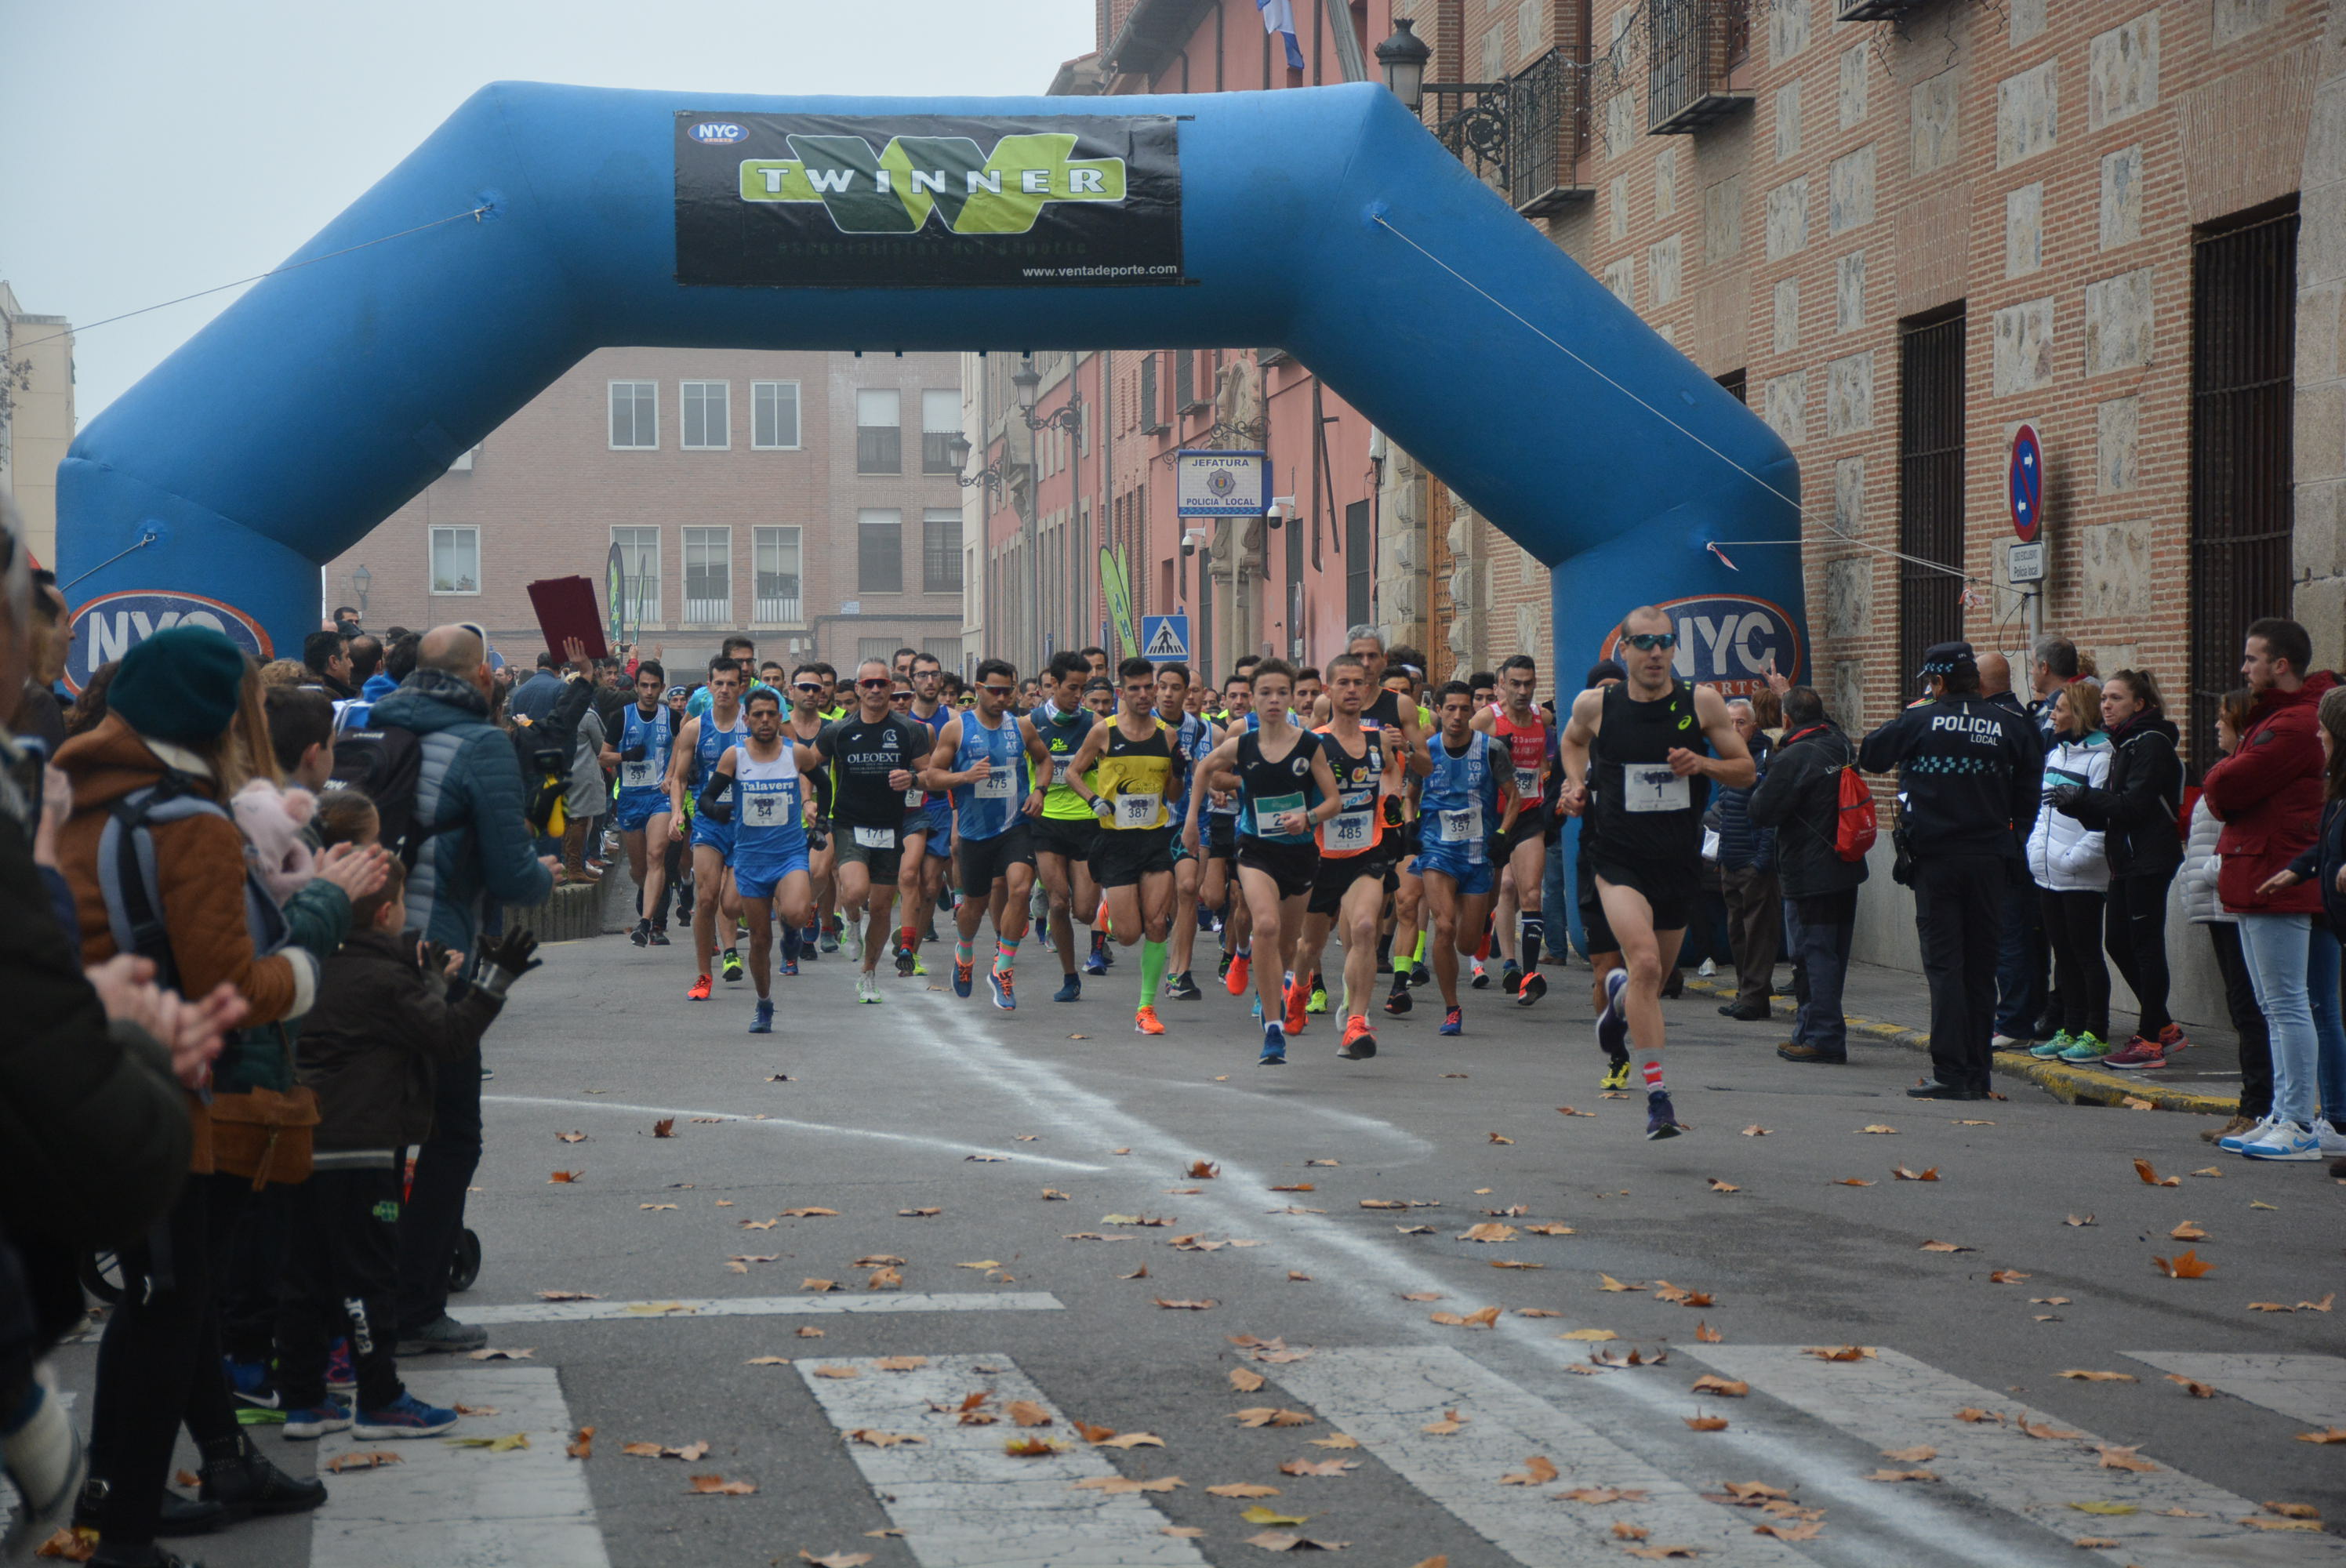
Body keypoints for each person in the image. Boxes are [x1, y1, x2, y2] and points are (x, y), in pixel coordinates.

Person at [54, 627, 389, 1565]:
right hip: (164, 1089)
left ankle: (164, 1481)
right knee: (166, 1300)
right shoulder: (186, 820)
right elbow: (231, 987)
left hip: (77, 1076)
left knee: (171, 1290)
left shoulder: (77, 793)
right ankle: (119, 1524)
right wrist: (321, 908)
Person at [278, 862, 534, 1443]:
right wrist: (491, 983)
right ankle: (379, 1396)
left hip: (305, 1141)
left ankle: (302, 1398)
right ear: (389, 913)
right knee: (368, 1275)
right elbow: (446, 1037)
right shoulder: (383, 979)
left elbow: (396, 1024)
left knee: (306, 1273)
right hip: (361, 1147)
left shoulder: (319, 964)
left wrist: (431, 986)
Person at [364, 624, 555, 1357]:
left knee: (371, 1134)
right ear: (479, 678)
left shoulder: (369, 727)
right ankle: (414, 1306)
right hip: (438, 963)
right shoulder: (481, 746)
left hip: (355, 954)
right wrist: (545, 871)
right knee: (451, 1133)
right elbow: (514, 876)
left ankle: (367, 1281)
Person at [1560, 609, 1755, 1138]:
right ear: (1623, 649)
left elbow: (1746, 770)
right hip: (1617, 857)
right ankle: (1659, 1098)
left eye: (1665, 642)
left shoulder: (1701, 703)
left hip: (1678, 860)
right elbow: (1572, 742)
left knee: (1654, 977)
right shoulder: (1597, 705)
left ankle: (1618, 999)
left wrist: (1704, 765)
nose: (1655, 652)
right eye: (1644, 642)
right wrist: (1574, 786)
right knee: (1645, 961)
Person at [1858, 641, 2043, 1102]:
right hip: (1990, 861)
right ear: (1976, 682)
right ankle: (1978, 1072)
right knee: (1981, 969)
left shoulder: (1921, 719)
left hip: (1938, 863)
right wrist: (2012, 840)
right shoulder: (2011, 725)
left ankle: (1950, 1071)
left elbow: (1871, 755)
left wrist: (1922, 707)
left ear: (1937, 682)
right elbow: (2030, 792)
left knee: (1945, 968)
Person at [2203, 618, 2338, 1161]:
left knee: (2288, 1005)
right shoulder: (2280, 720)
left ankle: (2298, 1122)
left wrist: (2230, 766)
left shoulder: (2292, 724)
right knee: (2277, 1003)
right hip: (2265, 871)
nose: (2244, 668)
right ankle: (2285, 1114)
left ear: (2281, 665)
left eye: (2252, 658)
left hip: (2276, 874)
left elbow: (2226, 783)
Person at [1194, 660, 1343, 1066]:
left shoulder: (1309, 744)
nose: (1273, 700)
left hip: (1299, 853)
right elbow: (1205, 769)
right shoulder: (1242, 744)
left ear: (1293, 696)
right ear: (1253, 699)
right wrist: (1194, 818)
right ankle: (1273, 1030)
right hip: (1256, 848)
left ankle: (1267, 973)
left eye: (1281, 692)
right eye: (1265, 693)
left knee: (1287, 943)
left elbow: (1334, 801)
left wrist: (1308, 818)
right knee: (1265, 923)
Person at [1290, 653, 1413, 1058]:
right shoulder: (1314, 741)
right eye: (1343, 683)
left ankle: (1357, 1022)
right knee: (1311, 944)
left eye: (1358, 683)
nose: (1352, 690)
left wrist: (1394, 798)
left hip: (1367, 850)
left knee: (1363, 928)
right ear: (1328, 690)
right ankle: (1302, 984)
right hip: (1320, 854)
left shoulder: (1379, 738)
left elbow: (1393, 773)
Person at [2063, 670, 2187, 1069]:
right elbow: (2110, 816)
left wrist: (2086, 795)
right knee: (2117, 941)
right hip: (2125, 860)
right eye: (2104, 699)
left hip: (2149, 859)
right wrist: (2078, 805)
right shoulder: (2125, 743)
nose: (2106, 706)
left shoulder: (2150, 743)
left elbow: (2133, 808)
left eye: (2115, 698)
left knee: (2146, 948)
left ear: (2140, 704)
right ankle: (2165, 1025)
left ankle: (2150, 1040)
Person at [1062, 657, 1187, 1036]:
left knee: (1156, 923)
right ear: (1121, 693)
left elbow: (1175, 793)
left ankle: (1146, 1008)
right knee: (1129, 934)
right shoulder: (1104, 732)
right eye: (1134, 688)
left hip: (1154, 840)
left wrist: (1179, 771)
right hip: (1115, 841)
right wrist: (1092, 800)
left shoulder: (1167, 736)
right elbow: (1071, 772)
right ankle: (1109, 910)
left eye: (1149, 686)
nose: (1145, 694)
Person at [1747, 686, 1867, 1065]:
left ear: (1786, 721)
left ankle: (1823, 1037)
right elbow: (1824, 722)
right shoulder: (1839, 742)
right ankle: (1813, 1031)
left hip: (1810, 873)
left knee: (1812, 957)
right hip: (1846, 866)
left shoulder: (1793, 758)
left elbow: (1762, 811)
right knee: (1833, 955)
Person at [923, 659, 1052, 1009]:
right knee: (974, 908)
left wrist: (1039, 791)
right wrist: (963, 777)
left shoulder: (1021, 727)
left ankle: (1003, 969)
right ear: (978, 689)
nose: (1002, 698)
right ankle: (964, 953)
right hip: (975, 833)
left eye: (1007, 691)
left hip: (1016, 825)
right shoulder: (957, 729)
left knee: (1022, 888)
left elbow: (1044, 760)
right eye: (994, 691)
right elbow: (932, 777)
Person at [806, 659, 930, 1004]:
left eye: (882, 684)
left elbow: (930, 773)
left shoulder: (909, 730)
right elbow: (808, 763)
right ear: (858, 689)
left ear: (891, 688)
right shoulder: (838, 731)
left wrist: (915, 779)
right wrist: (807, 800)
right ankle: (850, 921)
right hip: (849, 823)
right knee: (855, 891)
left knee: (881, 908)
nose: (875, 690)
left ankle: (868, 975)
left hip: (891, 827)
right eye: (869, 684)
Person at [694, 688, 812, 1033]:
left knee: (795, 912)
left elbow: (822, 784)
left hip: (789, 853)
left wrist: (816, 812)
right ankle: (764, 1003)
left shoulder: (796, 753)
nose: (764, 720)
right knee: (760, 940)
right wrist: (721, 811)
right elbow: (705, 800)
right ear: (747, 720)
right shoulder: (735, 756)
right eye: (757, 715)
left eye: (771, 714)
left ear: (780, 718)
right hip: (750, 858)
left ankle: (793, 932)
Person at [2187, 689, 2273, 1145]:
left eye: (2224, 719)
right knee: (2244, 1009)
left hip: (2233, 901)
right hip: (2218, 906)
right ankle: (2251, 1107)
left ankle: (2260, 1108)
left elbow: (2246, 841)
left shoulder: (2248, 776)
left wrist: (2207, 871)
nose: (2216, 726)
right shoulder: (2231, 771)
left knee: (2253, 1009)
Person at [1410, 679, 1513, 1036]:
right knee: (1445, 926)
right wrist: (1410, 826)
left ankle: (1483, 926)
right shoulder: (1424, 750)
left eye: (1464, 709)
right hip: (1437, 849)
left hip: (1478, 851)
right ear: (1438, 710)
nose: (1456, 716)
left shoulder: (1492, 749)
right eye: (1450, 708)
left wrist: (1503, 833)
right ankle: (1452, 1008)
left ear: (1473, 711)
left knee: (1467, 944)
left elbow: (1513, 796)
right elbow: (1410, 793)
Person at [2024, 678, 2115, 1064]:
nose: (2053, 714)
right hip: (2049, 874)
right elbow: (2043, 813)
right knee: (2064, 953)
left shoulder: (2103, 756)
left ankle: (2095, 1032)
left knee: (2086, 954)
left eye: (2059, 709)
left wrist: (2071, 861)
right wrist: (2036, 853)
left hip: (2080, 874)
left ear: (2077, 714)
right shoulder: (2056, 754)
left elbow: (2101, 822)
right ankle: (2071, 1027)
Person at [1473, 655, 1553, 1006]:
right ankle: (1485, 928)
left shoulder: (1543, 718)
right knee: (1493, 895)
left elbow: (1545, 760)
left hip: (1529, 817)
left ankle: (1528, 976)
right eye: (1515, 684)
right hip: (1494, 820)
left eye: (1529, 683)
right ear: (1501, 685)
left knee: (1530, 893)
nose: (1523, 691)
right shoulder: (1487, 720)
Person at [670, 657, 750, 999]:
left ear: (741, 687)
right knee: (706, 898)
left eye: (732, 684)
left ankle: (732, 945)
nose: (725, 690)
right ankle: (704, 975)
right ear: (708, 684)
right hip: (708, 822)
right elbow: (679, 777)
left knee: (732, 903)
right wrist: (676, 813)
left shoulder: (753, 724)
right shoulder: (695, 729)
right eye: (718, 683)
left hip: (748, 823)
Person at [1030, 651, 1104, 1004]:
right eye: (1072, 688)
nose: (1079, 696)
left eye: (1083, 689)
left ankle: (1094, 936)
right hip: (1048, 822)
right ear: (1054, 685)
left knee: (1084, 911)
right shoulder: (1030, 723)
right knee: (1059, 903)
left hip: (1088, 823)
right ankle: (1070, 976)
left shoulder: (1095, 724)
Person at [1711, 698, 1780, 1022]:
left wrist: (1762, 860)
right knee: (1737, 932)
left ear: (1754, 726)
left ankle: (1754, 998)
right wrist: (1722, 855)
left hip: (1754, 864)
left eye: (1741, 722)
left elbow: (1772, 814)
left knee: (1758, 935)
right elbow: (1725, 810)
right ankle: (1748, 992)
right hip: (1731, 861)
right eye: (1729, 723)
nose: (1735, 729)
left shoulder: (1767, 759)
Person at [1153, 663, 1215, 1002]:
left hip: (1189, 818)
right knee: (1156, 907)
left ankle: (1180, 974)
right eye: (1162, 687)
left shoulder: (1197, 727)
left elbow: (1195, 765)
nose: (1168, 694)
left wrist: (1212, 788)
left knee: (1189, 889)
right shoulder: (1140, 723)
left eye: (1176, 687)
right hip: (1147, 823)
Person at [608, 661, 677, 946]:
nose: (649, 691)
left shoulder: (672, 718)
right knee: (639, 869)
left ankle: (646, 923)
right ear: (636, 687)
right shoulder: (620, 717)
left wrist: (672, 776)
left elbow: (683, 750)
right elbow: (603, 757)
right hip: (629, 799)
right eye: (644, 685)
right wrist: (626, 757)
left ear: (662, 688)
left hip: (658, 798)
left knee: (656, 856)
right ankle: (645, 889)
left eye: (654, 686)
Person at [505, 650, 564, 725]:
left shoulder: (519, 691)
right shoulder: (561, 687)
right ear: (560, 669)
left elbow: (513, 721)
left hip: (524, 735)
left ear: (537, 667)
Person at [301, 630, 357, 702]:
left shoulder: (294, 696)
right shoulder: (342, 703)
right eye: (347, 657)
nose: (351, 664)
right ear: (334, 662)